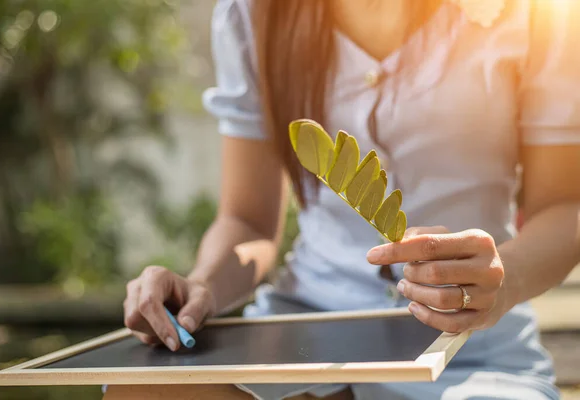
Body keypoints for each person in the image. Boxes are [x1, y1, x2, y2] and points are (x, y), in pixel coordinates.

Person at [106, 0, 580, 399]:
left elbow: (563, 208)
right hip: (302, 337)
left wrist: (501, 279)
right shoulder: (253, 15)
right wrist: (203, 283)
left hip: (470, 352)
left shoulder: (533, 15)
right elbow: (247, 220)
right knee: (144, 391)